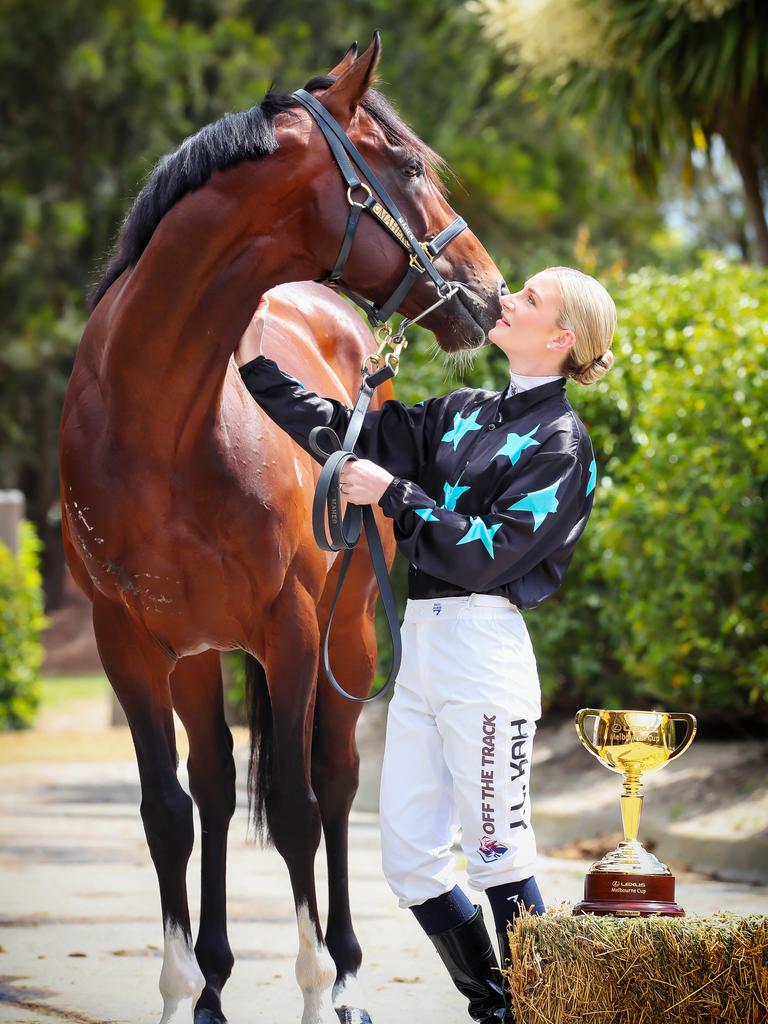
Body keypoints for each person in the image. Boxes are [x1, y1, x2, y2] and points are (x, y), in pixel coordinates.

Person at [235, 266, 616, 1023]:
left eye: (529, 300)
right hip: (425, 645)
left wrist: (396, 496)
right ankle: (502, 1007)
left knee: (497, 850)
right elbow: (348, 435)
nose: (508, 300)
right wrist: (254, 366)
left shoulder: (563, 444)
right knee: (410, 860)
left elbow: (485, 552)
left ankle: (538, 1014)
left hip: (484, 650)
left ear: (563, 338)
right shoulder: (463, 411)